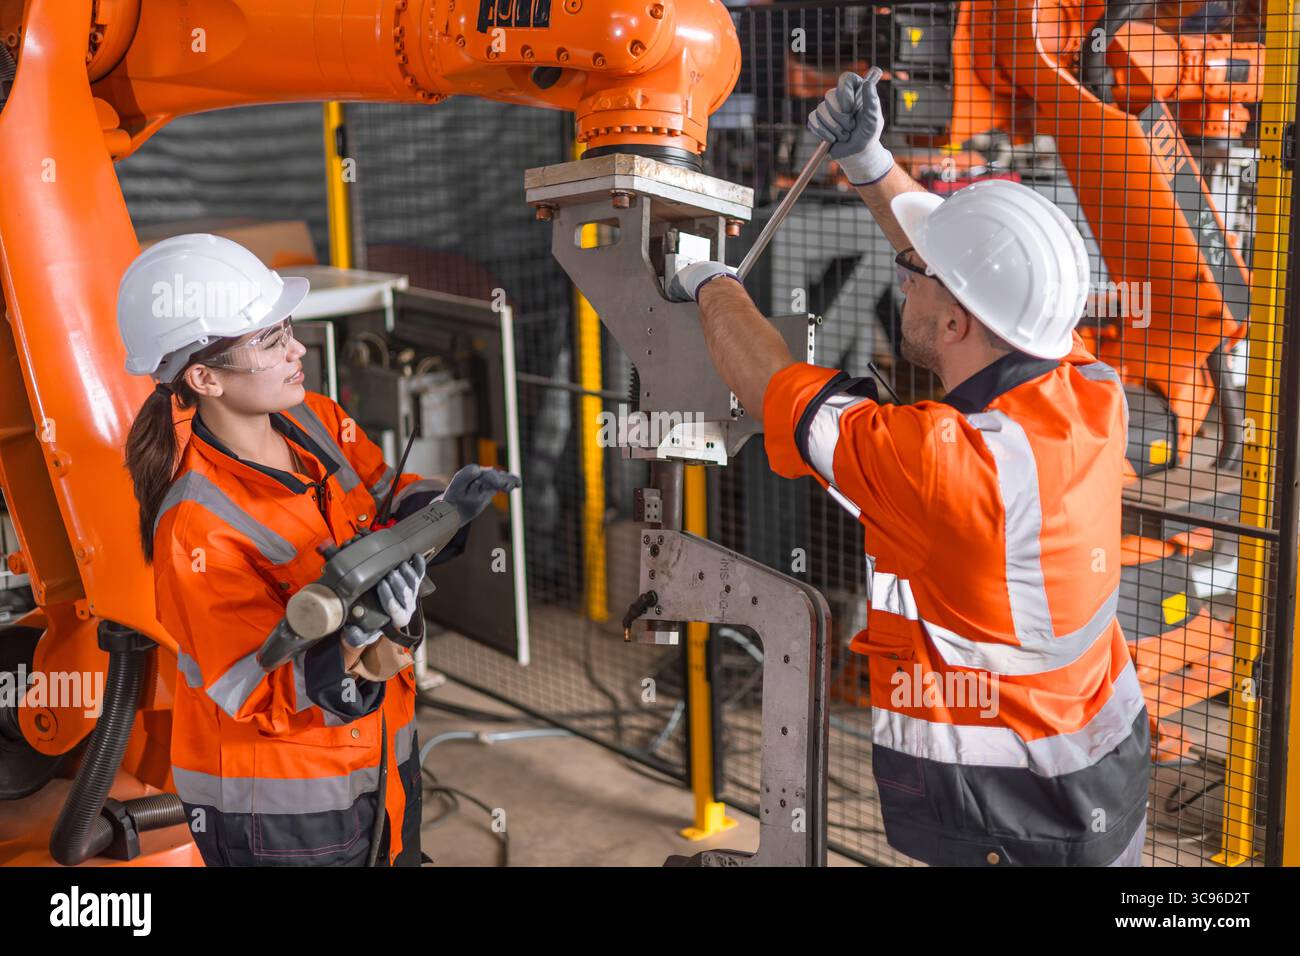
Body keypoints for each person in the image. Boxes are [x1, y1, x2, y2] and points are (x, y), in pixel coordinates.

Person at [666, 71, 1150, 866]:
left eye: (915, 271)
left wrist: (711, 284)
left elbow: (775, 389)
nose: (902, 269)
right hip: (1105, 785)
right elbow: (983, 279)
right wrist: (868, 162)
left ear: (955, 321)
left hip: (1018, 826)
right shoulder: (1087, 388)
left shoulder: (936, 466)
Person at [117, 233, 520, 866]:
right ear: (203, 377)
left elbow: (389, 495)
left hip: (384, 757)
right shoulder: (196, 526)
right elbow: (258, 688)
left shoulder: (317, 421)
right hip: (283, 812)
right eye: (271, 340)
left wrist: (443, 512)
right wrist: (359, 632)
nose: (298, 349)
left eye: (288, 329)